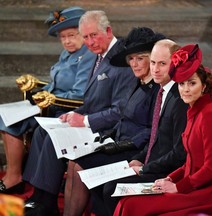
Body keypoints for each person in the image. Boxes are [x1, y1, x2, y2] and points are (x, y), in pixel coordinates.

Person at [22, 10, 135, 216]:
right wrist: (74, 113)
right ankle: (39, 196)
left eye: (94, 35)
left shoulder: (121, 59)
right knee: (43, 130)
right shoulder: (98, 55)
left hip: (110, 129)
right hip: (92, 119)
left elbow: (120, 111)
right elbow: (92, 100)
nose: (89, 42)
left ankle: (46, 202)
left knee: (53, 138)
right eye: (85, 37)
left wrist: (85, 119)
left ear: (108, 31)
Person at [113, 44, 212, 216]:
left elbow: (211, 169)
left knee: (131, 205)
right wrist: (171, 177)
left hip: (203, 192)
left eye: (192, 83)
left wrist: (178, 186)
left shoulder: (210, 115)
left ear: (204, 86)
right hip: (187, 183)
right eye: (181, 84)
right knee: (127, 201)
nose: (186, 89)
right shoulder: (193, 111)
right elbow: (189, 161)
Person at [63, 26, 165, 216]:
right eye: (131, 59)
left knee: (78, 166)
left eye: (140, 58)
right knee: (73, 161)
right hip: (118, 143)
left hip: (134, 150)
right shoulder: (137, 82)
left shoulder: (157, 90)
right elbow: (124, 116)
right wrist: (107, 136)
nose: (134, 64)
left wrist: (119, 146)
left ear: (151, 59)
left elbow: (152, 130)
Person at [0, 6, 95, 194]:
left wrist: (49, 98)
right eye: (63, 37)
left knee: (8, 121)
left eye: (72, 35)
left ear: (83, 33)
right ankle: (14, 174)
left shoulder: (88, 55)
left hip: (64, 108)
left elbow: (79, 94)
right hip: (50, 102)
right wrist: (39, 91)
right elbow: (55, 83)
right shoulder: (67, 54)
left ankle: (14, 177)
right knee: (4, 114)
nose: (67, 41)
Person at [99, 39, 188, 216]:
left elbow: (179, 153)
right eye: (153, 62)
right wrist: (139, 159)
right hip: (150, 163)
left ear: (175, 64)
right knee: (102, 182)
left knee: (110, 188)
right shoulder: (163, 91)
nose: (155, 69)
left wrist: (144, 169)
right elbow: (156, 137)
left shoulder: (179, 99)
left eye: (162, 64)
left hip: (166, 173)